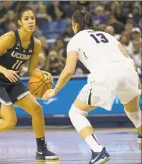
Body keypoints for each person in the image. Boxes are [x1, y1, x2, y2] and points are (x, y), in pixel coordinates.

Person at [43, 10, 141, 164]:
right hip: (128, 70)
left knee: (76, 113)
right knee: (135, 113)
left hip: (106, 74)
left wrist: (55, 90)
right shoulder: (109, 36)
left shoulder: (75, 40)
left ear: (75, 25)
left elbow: (69, 70)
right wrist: (137, 83)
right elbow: (127, 57)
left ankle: (98, 150)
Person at [0, 5, 59, 161]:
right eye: (26, 19)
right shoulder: (9, 38)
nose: (30, 21)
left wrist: (43, 74)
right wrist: (4, 70)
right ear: (19, 22)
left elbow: (32, 70)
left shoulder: (36, 44)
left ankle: (41, 149)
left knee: (37, 109)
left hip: (11, 80)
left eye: (32, 18)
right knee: (10, 121)